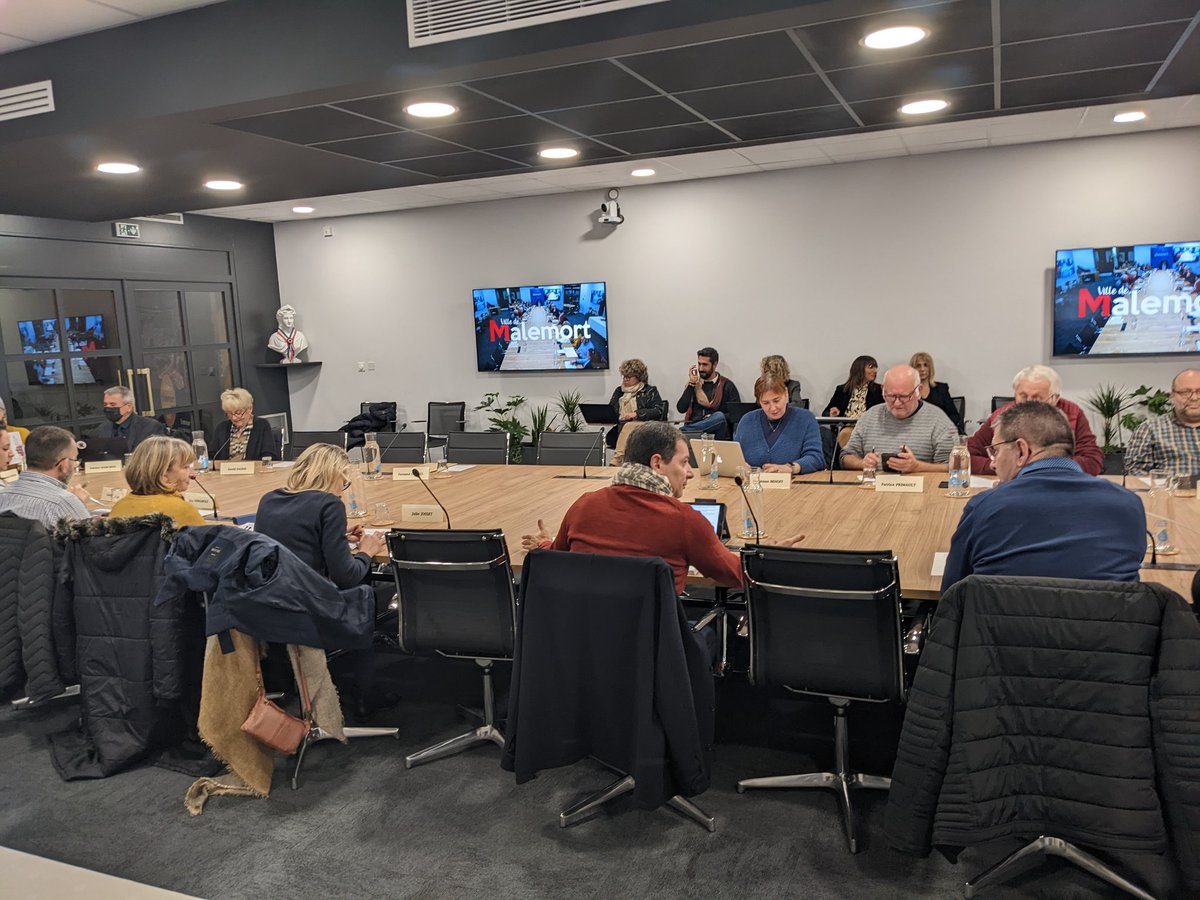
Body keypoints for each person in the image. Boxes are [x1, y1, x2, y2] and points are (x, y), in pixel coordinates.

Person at [522, 421, 803, 596]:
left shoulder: (583, 506)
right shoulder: (684, 521)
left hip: (585, 650)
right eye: (684, 462)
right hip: (657, 654)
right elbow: (739, 574)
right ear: (657, 463)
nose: (690, 473)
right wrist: (770, 555)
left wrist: (544, 544)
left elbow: (557, 558)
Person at [941, 402, 1144, 591]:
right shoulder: (1128, 505)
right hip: (1102, 619)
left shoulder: (984, 507)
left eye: (995, 451)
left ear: (1021, 451)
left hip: (1004, 619)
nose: (993, 463)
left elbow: (953, 590)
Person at [254, 443, 388, 716]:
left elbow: (292, 543)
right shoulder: (329, 504)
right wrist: (366, 551)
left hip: (268, 604)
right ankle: (367, 694)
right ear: (331, 475)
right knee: (368, 592)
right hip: (309, 607)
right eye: (343, 481)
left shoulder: (269, 499)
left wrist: (337, 538)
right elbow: (347, 576)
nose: (343, 489)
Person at [967, 365, 1103, 475]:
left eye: (1037, 398)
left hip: (1057, 483)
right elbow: (967, 455)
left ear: (1055, 398)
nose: (1029, 403)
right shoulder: (1003, 415)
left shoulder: (1072, 413)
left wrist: (1034, 468)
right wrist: (1000, 466)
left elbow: (1092, 461)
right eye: (1023, 396)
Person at [841, 365, 959, 473]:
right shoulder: (870, 417)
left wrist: (917, 467)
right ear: (883, 389)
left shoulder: (939, 422)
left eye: (904, 396)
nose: (897, 403)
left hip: (922, 487)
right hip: (875, 486)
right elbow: (845, 457)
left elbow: (953, 466)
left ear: (919, 391)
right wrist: (862, 463)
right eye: (891, 396)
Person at [0, 426, 90, 528]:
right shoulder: (63, 503)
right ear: (63, 465)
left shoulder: (3, 495)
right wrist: (77, 505)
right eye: (74, 460)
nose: (75, 465)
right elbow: (89, 536)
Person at [734, 376, 825, 475]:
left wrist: (791, 468)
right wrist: (739, 465)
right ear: (759, 401)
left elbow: (816, 458)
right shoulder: (747, 421)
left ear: (786, 393)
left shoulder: (805, 419)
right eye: (766, 403)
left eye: (777, 400)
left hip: (795, 482)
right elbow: (734, 456)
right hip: (753, 482)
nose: (773, 408)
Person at [108, 436, 205, 525]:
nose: (192, 474)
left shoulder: (118, 508)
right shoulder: (183, 511)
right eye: (185, 467)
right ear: (163, 475)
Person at [1125, 368, 1200, 477]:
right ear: (1172, 396)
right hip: (1169, 487)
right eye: (1185, 392)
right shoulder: (1149, 429)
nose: (1194, 398)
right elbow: (1134, 471)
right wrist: (1165, 484)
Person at [676, 347, 741, 440]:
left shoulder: (727, 385)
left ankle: (681, 432)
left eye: (705, 365)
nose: (701, 368)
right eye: (699, 364)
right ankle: (686, 432)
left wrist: (712, 418)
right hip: (695, 429)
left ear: (714, 364)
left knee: (719, 416)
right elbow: (681, 409)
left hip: (717, 432)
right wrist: (691, 385)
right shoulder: (694, 384)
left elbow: (735, 414)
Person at [605, 358, 664, 449]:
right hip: (621, 428)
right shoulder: (619, 391)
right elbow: (611, 410)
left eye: (628, 377)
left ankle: (619, 457)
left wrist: (636, 414)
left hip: (643, 428)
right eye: (624, 376)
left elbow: (658, 411)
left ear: (639, 377)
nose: (625, 379)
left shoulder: (649, 391)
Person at [211, 388, 281, 461]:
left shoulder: (262, 426)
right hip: (226, 468)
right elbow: (212, 456)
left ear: (250, 409)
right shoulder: (221, 428)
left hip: (254, 468)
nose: (234, 418)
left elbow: (268, 455)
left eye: (238, 413)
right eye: (230, 413)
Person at [909, 352, 964, 433]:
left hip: (941, 431)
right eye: (918, 366)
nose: (922, 369)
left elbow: (955, 416)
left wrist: (941, 426)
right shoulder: (907, 391)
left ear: (930, 368)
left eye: (925, 365)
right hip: (918, 433)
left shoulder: (942, 389)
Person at [100, 385, 166, 451]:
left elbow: (159, 453)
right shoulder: (102, 429)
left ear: (129, 407)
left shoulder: (150, 427)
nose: (108, 408)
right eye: (105, 404)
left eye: (113, 405)